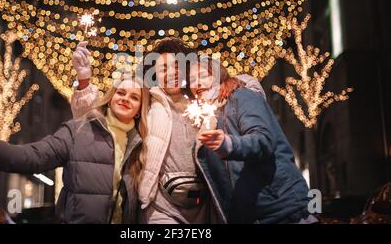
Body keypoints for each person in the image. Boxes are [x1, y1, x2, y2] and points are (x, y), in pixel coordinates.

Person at [0, 42, 150, 224]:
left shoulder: (141, 145)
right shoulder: (79, 131)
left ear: (140, 107)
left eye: (134, 97)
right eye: (121, 93)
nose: (126, 99)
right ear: (111, 96)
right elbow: (32, 156)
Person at [71, 38, 265, 224]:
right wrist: (84, 80)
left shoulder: (204, 98)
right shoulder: (146, 101)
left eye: (177, 67)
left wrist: (230, 81)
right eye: (163, 68)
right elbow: (93, 120)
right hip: (160, 205)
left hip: (205, 204)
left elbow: (256, 92)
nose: (171, 73)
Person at [189, 57, 318, 224]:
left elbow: (263, 140)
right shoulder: (205, 121)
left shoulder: (241, 97)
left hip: (283, 208)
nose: (197, 83)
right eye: (192, 80)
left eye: (203, 75)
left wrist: (229, 144)